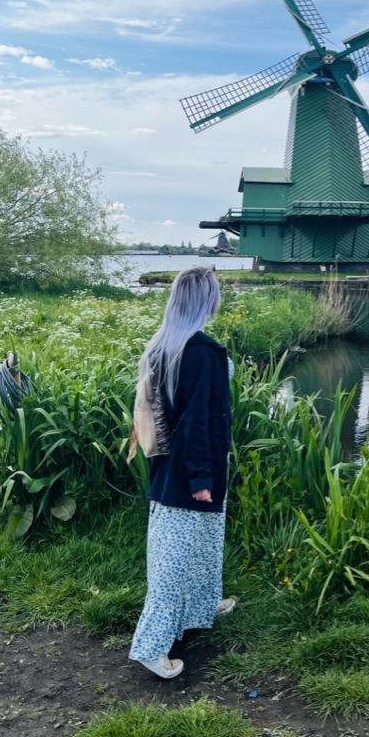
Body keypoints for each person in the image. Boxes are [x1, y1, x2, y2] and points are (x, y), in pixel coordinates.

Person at [129, 267, 235, 680]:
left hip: (169, 464)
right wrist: (202, 479)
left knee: (205, 542)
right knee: (171, 561)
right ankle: (151, 647)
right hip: (192, 470)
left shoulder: (163, 346)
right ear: (207, 300)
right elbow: (199, 420)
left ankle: (203, 605)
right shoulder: (203, 351)